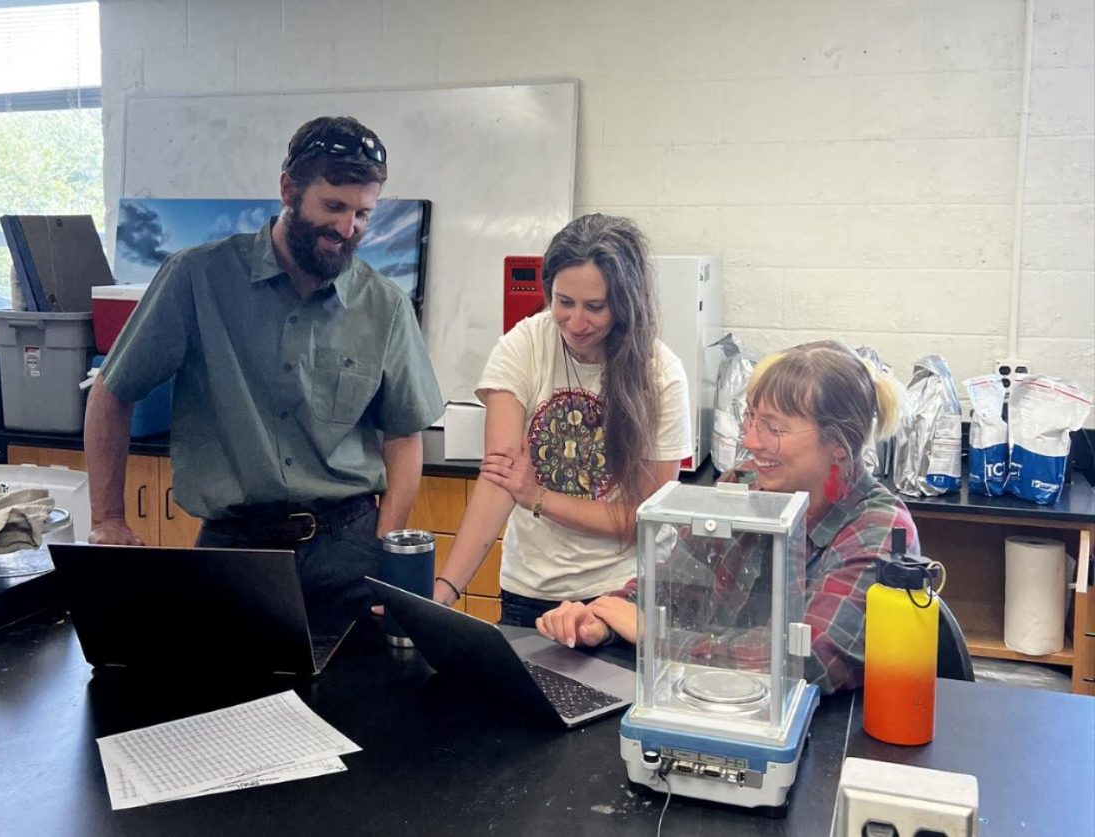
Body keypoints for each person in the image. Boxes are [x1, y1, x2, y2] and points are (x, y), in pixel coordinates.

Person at [84, 116, 444, 622]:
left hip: (348, 553)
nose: (348, 229)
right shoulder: (196, 278)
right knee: (225, 700)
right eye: (334, 207)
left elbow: (404, 436)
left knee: (354, 700)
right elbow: (112, 391)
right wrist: (109, 518)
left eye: (363, 214)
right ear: (288, 190)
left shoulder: (383, 305)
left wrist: (385, 547)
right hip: (234, 554)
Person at [536, 340, 917, 695]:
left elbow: (808, 660)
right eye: (749, 419)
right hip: (719, 702)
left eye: (773, 427)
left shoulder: (880, 531)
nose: (750, 441)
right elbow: (675, 583)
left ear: (838, 442)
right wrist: (602, 619)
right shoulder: (747, 486)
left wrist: (657, 636)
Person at [431, 214, 692, 627]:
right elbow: (501, 481)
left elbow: (644, 517)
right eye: (563, 302)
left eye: (595, 307)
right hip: (530, 591)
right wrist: (443, 592)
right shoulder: (524, 345)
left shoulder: (660, 374)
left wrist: (539, 498)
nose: (576, 322)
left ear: (625, 304)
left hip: (620, 596)